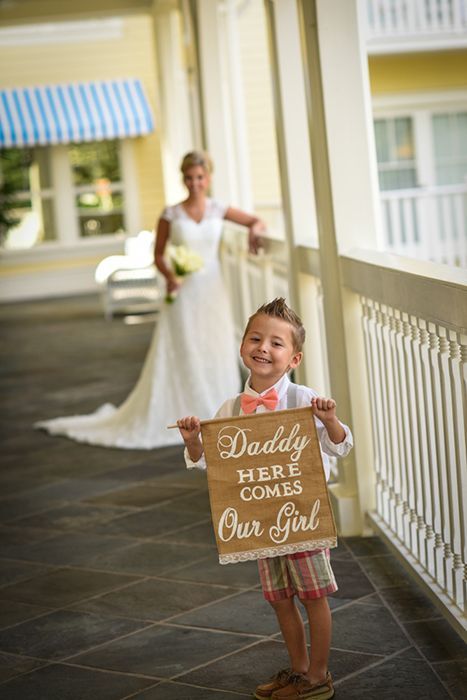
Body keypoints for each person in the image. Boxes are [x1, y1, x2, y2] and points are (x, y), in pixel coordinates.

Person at [177, 297, 353, 700]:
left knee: (314, 596)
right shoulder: (231, 408)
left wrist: (329, 420)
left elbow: (341, 447)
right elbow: (213, 465)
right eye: (255, 338)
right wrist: (193, 442)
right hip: (260, 521)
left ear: (294, 358)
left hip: (303, 516)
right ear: (242, 346)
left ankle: (319, 675)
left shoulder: (306, 399)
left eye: (276, 343)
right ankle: (297, 670)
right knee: (280, 600)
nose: (263, 348)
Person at [35, 150, 265, 449]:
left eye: (200, 177)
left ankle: (219, 409)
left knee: (216, 345)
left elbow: (255, 221)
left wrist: (254, 233)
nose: (194, 183)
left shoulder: (219, 209)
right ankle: (192, 410)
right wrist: (171, 276)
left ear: (208, 178)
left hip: (212, 290)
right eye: (189, 177)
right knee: (185, 348)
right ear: (183, 179)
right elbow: (157, 255)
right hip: (181, 292)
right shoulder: (171, 214)